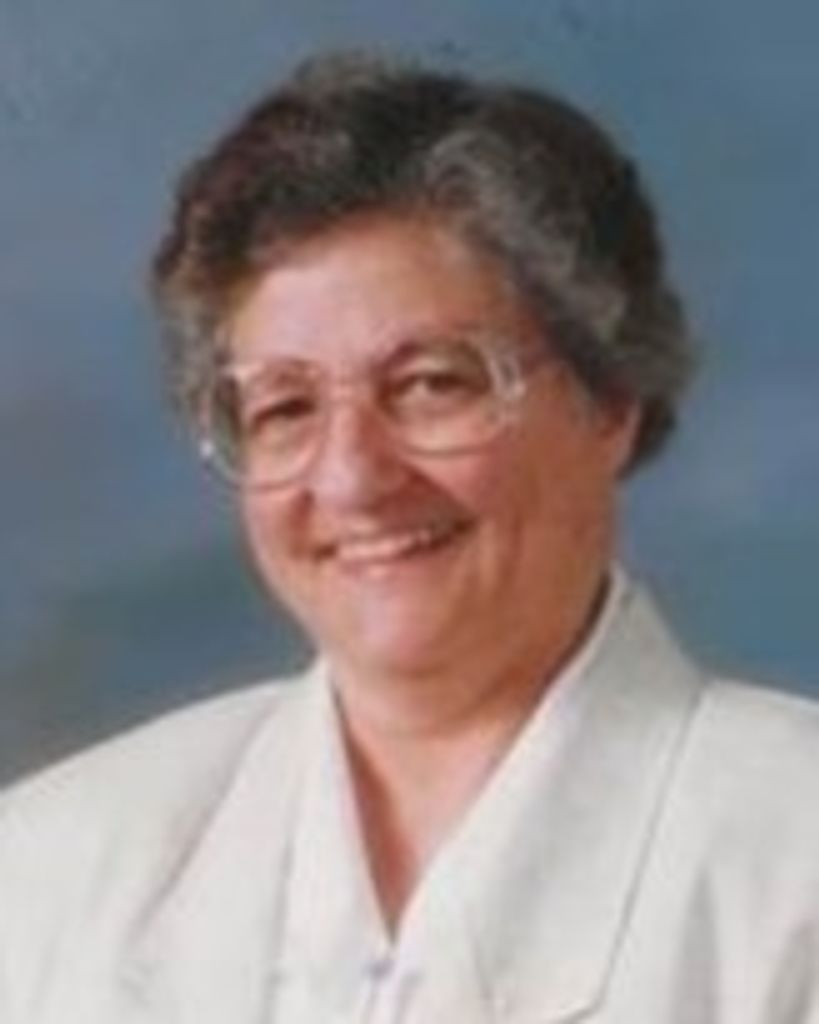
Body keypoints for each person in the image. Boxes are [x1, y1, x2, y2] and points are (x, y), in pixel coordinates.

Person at [1, 51, 817, 1024]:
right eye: (286, 408)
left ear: (610, 399)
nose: (352, 478)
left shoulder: (791, 859)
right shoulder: (47, 868)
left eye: (433, 384)